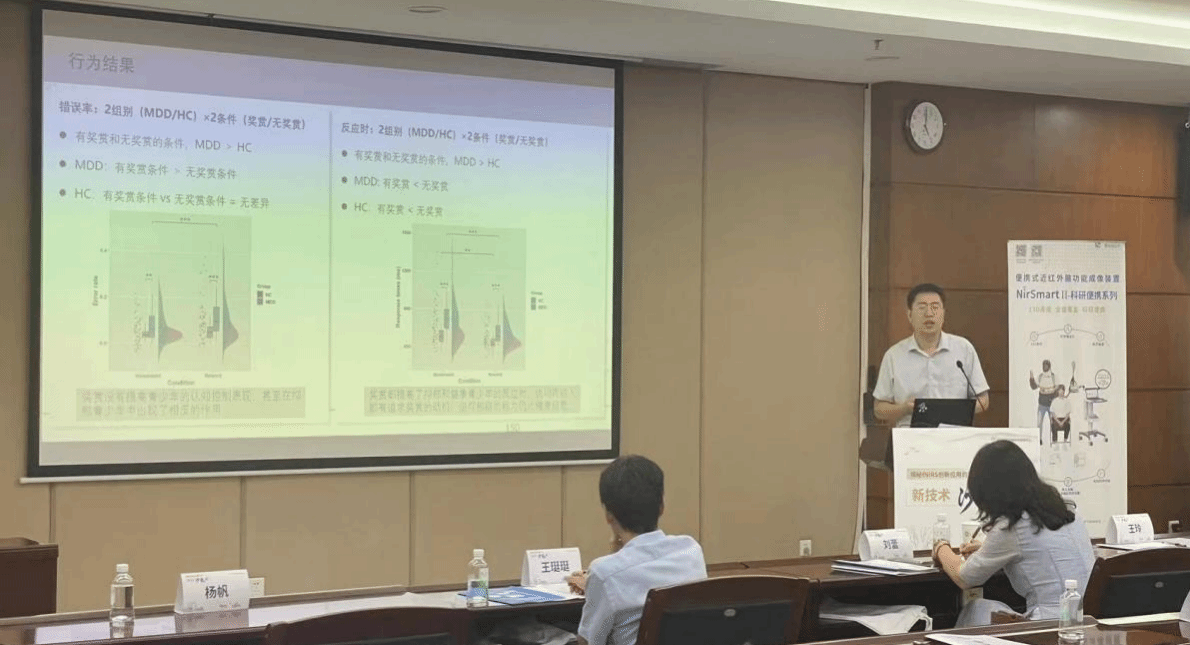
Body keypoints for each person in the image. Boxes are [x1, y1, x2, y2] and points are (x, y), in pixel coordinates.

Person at [932, 440, 1094, 626]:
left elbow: (964, 577)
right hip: (1089, 621)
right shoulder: (1068, 510)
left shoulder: (1012, 525)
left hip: (1049, 627)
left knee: (976, 609)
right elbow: (1040, 551)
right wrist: (987, 549)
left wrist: (941, 548)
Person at [565, 455, 706, 645]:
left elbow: (588, 642)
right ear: (662, 506)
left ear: (608, 515)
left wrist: (598, 582)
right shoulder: (690, 550)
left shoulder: (603, 573)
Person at [873, 283, 990, 426]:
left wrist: (951, 410)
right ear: (909, 315)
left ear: (943, 314)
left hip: (954, 434)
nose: (929, 313)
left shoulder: (964, 349)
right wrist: (905, 408)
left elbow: (983, 401)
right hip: (911, 435)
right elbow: (879, 409)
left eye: (935, 307)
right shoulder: (894, 355)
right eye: (922, 307)